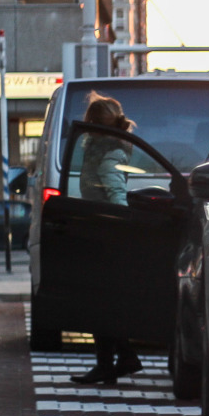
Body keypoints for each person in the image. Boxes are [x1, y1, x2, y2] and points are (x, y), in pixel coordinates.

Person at [70, 92, 144, 385]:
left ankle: (113, 361)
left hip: (106, 235)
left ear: (94, 123)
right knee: (103, 302)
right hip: (102, 232)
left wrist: (119, 228)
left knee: (100, 302)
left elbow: (116, 194)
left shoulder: (108, 153)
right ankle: (121, 358)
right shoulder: (102, 150)